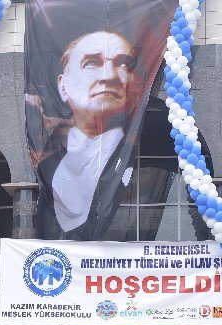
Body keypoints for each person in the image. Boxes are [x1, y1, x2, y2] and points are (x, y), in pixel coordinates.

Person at [35, 29, 144, 239]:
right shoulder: (46, 155)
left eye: (122, 64)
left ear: (136, 84)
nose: (109, 76)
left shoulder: (141, 148)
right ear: (63, 85)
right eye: (92, 63)